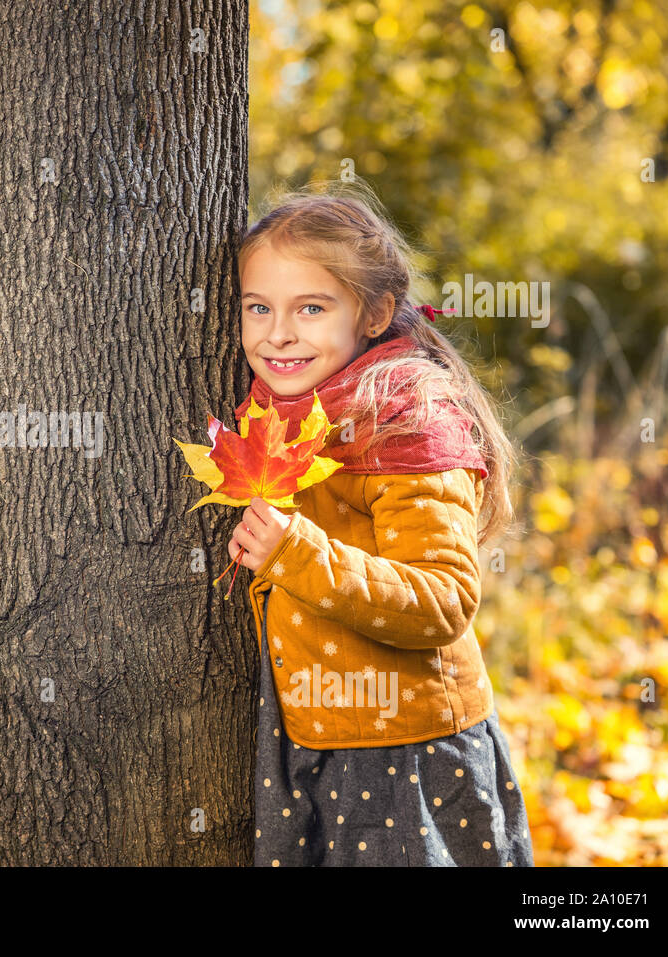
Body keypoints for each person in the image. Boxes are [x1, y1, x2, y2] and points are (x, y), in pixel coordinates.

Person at [225, 183, 534, 866]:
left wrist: (296, 552)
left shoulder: (405, 420)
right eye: (258, 307)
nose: (278, 332)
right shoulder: (281, 411)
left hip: (407, 750)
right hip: (311, 733)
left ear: (374, 313)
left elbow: (444, 598)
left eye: (311, 307)